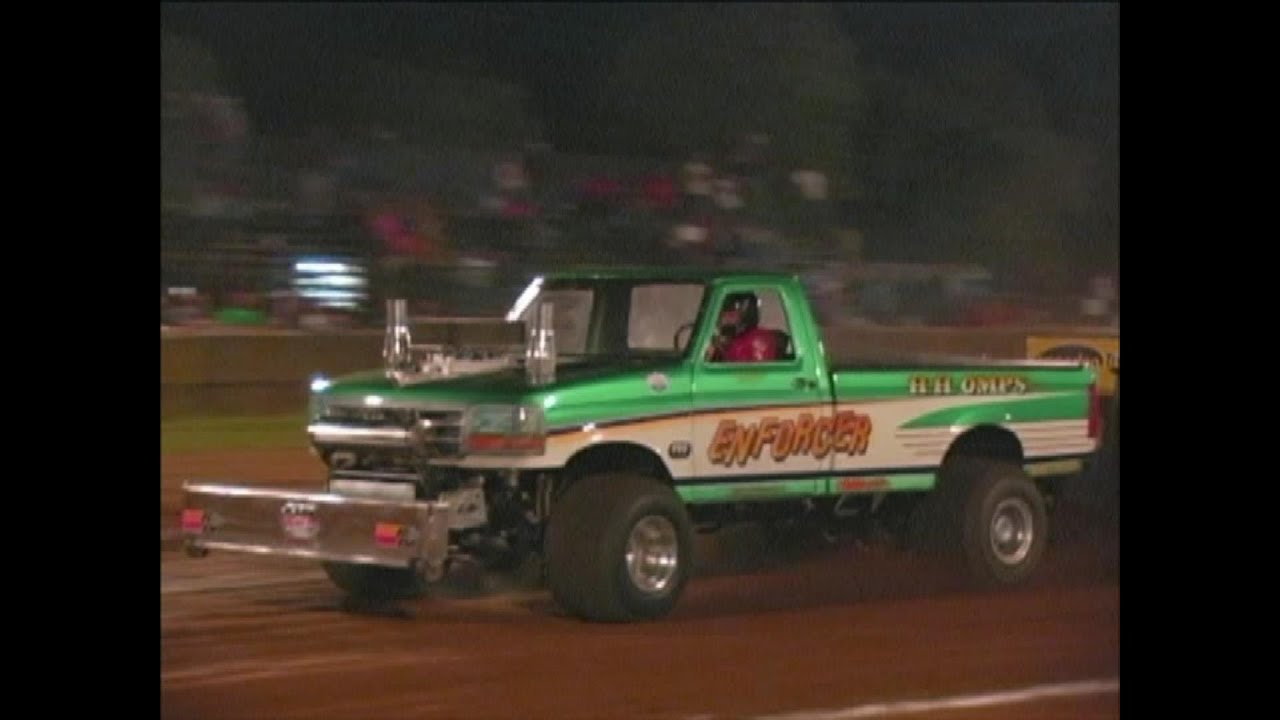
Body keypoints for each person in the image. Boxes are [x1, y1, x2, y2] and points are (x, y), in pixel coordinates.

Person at [707, 292, 784, 362]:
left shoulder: (756, 339)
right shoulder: (736, 337)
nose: (724, 315)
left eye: (729, 310)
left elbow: (744, 372)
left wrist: (719, 347)